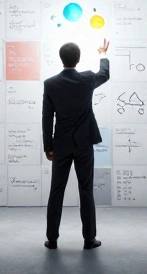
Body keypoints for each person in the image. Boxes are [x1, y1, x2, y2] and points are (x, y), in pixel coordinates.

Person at [42, 38, 110, 251]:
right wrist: (102, 54)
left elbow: (47, 117)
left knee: (56, 191)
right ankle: (89, 240)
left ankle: (52, 240)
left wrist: (48, 146)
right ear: (78, 59)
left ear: (61, 60)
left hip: (61, 145)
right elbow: (104, 74)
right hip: (83, 144)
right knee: (86, 191)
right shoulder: (87, 79)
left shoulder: (50, 84)